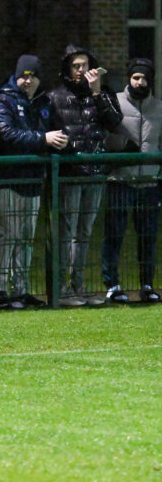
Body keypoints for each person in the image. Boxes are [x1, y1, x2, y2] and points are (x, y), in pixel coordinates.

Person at [47, 44, 123, 306]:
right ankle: (62, 288)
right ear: (67, 68)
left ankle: (78, 284)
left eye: (85, 65)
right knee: (66, 231)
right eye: (75, 66)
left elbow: (115, 123)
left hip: (95, 172)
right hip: (69, 173)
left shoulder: (102, 93)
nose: (81, 70)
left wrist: (97, 93)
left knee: (85, 231)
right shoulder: (55, 97)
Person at [0, 55, 62, 310]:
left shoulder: (44, 101)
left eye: (33, 76)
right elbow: (7, 134)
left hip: (33, 179)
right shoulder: (3, 100)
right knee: (7, 235)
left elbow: (57, 129)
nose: (28, 81)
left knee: (26, 237)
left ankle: (20, 289)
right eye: (23, 76)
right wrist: (43, 139)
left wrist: (60, 139)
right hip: (8, 178)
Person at [101, 58, 162, 303]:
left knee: (148, 237)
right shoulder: (115, 102)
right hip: (120, 179)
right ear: (129, 78)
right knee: (114, 235)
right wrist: (120, 147)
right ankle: (112, 284)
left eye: (145, 78)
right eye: (136, 77)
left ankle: (147, 284)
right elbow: (104, 135)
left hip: (150, 182)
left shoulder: (159, 108)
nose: (140, 82)